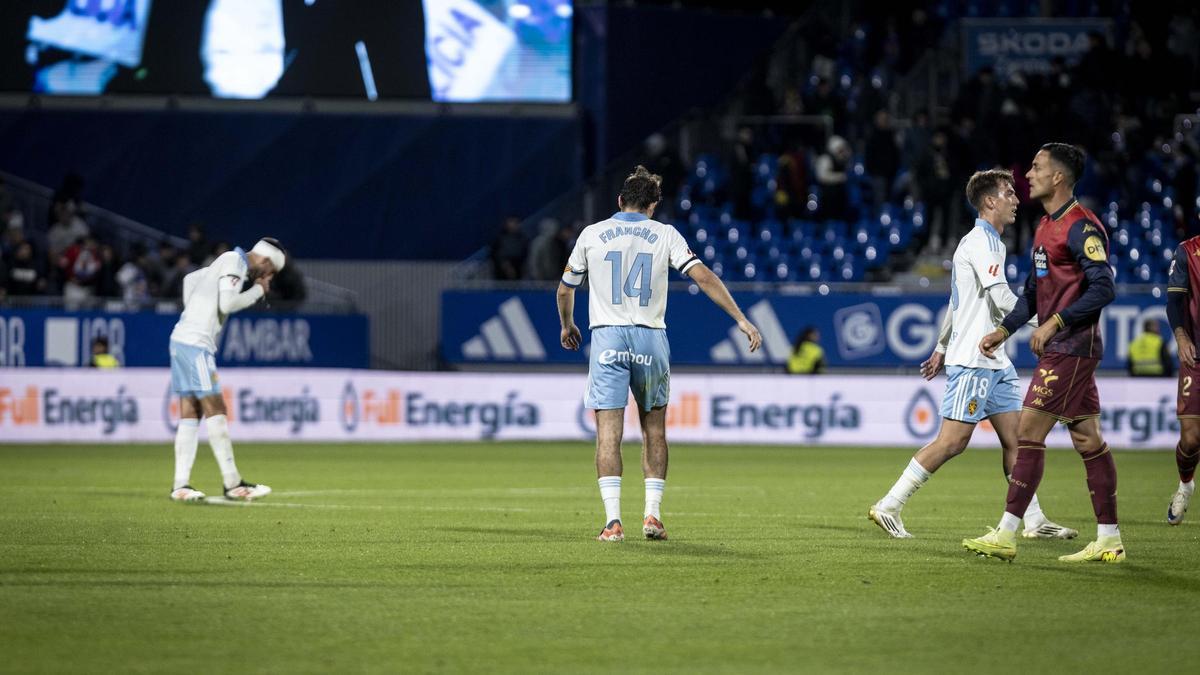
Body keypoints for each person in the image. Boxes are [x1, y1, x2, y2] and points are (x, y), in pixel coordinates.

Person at [557, 166, 762, 542]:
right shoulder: (665, 234)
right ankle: (652, 517)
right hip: (651, 338)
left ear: (619, 201)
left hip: (607, 339)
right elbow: (703, 278)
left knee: (608, 435)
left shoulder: (592, 234)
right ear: (652, 206)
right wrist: (742, 320)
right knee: (654, 431)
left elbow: (565, 290)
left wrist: (567, 326)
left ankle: (612, 522)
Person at [869, 169, 1075, 540]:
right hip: (976, 359)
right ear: (990, 201)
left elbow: (956, 301)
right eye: (1009, 193)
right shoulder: (982, 242)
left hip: (994, 359)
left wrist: (940, 347)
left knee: (1018, 441)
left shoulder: (987, 242)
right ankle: (889, 505)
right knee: (953, 441)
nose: (1017, 199)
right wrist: (1050, 323)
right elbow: (1000, 299)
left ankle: (1033, 520)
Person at [964, 143, 1121, 563]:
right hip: (1064, 347)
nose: (1026, 174)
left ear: (1058, 178)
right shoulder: (1043, 228)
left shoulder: (1080, 227)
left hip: (1072, 346)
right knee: (1088, 439)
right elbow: (1034, 295)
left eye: (1035, 167)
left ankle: (1007, 534)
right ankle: (1109, 537)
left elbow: (1104, 286)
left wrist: (1057, 322)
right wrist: (1003, 329)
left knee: (1027, 434)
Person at [167, 238, 285, 503]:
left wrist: (194, 314)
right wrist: (257, 291)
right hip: (196, 345)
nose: (267, 278)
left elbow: (190, 280)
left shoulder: (227, 260)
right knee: (216, 409)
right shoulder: (235, 262)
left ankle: (180, 485)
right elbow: (227, 305)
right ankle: (233, 484)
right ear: (265, 262)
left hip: (184, 339)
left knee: (192, 412)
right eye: (270, 273)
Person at [1165, 236, 1200, 524]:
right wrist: (1181, 336)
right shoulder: (1188, 251)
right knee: (1191, 439)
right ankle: (1185, 484)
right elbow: (1174, 301)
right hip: (1196, 356)